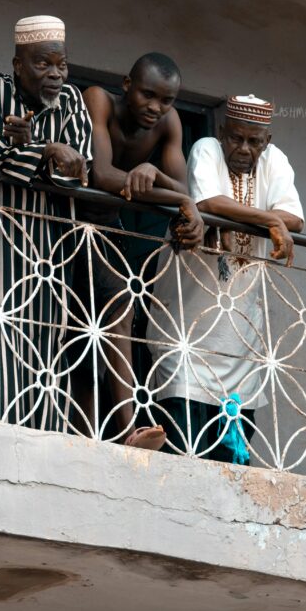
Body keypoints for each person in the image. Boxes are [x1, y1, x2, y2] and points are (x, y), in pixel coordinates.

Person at [0, 15, 92, 427]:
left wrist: (34, 150)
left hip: (45, 253)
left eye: (61, 65)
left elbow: (77, 172)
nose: (55, 75)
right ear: (17, 64)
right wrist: (47, 151)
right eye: (44, 64)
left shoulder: (72, 101)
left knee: (42, 347)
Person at [146, 94, 304, 461]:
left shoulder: (274, 160)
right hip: (187, 330)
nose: (244, 148)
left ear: (267, 141)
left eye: (254, 141)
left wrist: (278, 220)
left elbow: (295, 218)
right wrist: (269, 219)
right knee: (184, 446)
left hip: (241, 337)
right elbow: (207, 202)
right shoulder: (206, 149)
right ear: (222, 132)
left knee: (232, 456)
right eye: (236, 138)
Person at [75, 53, 203, 449]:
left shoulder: (169, 122)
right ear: (127, 84)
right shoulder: (98, 99)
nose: (155, 107)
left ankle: (120, 432)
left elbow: (182, 190)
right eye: (148, 94)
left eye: (166, 100)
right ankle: (111, 429)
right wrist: (151, 184)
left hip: (111, 229)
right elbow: (102, 173)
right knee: (83, 328)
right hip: (67, 224)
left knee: (112, 317)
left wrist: (156, 176)